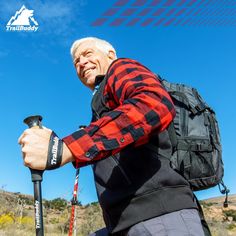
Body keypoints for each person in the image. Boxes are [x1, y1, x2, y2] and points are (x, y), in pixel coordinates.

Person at [18, 37, 206, 236]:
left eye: (88, 54)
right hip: (126, 221)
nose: (81, 63)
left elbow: (154, 104)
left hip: (159, 217)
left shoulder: (120, 67)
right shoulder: (103, 104)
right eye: (76, 62)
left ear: (110, 55)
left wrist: (66, 148)